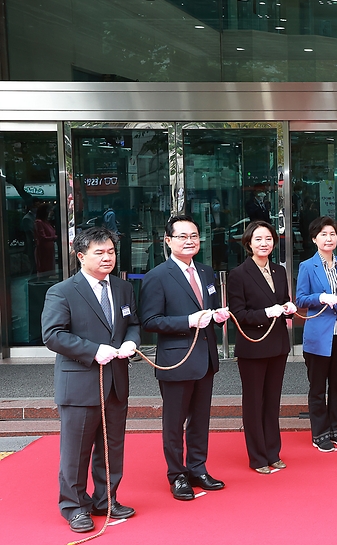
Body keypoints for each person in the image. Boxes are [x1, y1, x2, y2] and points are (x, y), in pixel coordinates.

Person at [41, 227, 140, 533]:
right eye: (99, 252)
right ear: (81, 256)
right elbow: (52, 335)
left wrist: (131, 343)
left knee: (112, 447)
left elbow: (132, 323)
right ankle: (74, 506)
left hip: (115, 382)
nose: (107, 257)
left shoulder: (123, 288)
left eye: (110, 251)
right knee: (77, 450)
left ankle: (106, 499)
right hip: (81, 382)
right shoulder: (62, 291)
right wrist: (94, 350)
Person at [140, 215, 231, 500]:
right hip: (176, 360)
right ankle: (177, 474)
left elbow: (210, 309)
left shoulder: (205, 272)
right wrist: (188, 321)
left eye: (194, 235)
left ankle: (198, 467)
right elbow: (150, 321)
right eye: (182, 236)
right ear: (167, 240)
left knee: (200, 419)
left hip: (205, 358)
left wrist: (218, 316)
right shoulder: (157, 276)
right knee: (174, 421)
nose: (189, 241)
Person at [226, 221, 298, 473]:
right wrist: (267, 312)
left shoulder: (279, 271)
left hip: (277, 345)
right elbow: (239, 314)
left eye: (268, 239)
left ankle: (272, 452)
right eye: (258, 239)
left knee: (272, 402)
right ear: (248, 243)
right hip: (253, 348)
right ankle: (257, 457)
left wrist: (289, 308)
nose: (264, 243)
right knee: (254, 402)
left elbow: (284, 301)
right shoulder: (238, 274)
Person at [296, 216, 337, 452]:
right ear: (314, 239)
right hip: (318, 336)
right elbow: (300, 299)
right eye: (323, 234)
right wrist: (320, 297)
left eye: (332, 234)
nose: (328, 238)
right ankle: (320, 434)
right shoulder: (307, 267)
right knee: (318, 387)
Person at [34, 203, 57, 275]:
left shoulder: (47, 222)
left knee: (50, 267)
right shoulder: (39, 222)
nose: (51, 213)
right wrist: (55, 237)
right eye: (50, 211)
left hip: (50, 248)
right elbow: (42, 237)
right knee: (45, 268)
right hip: (44, 249)